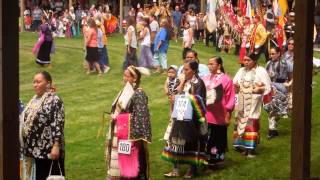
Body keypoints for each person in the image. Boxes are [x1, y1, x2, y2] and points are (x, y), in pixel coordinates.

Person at [162, 60, 207, 178]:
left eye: (186, 70)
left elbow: (200, 101)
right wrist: (180, 86)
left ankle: (192, 169)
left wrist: (186, 97)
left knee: (191, 143)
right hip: (178, 116)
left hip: (192, 119)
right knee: (175, 141)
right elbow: (174, 94)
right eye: (183, 69)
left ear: (194, 70)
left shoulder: (199, 83)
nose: (184, 72)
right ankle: (175, 169)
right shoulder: (181, 81)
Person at [105, 66, 152, 180]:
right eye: (124, 75)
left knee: (134, 165)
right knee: (122, 162)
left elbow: (141, 118)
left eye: (127, 76)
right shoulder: (125, 91)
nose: (124, 78)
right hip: (121, 133)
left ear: (134, 78)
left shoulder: (138, 93)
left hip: (132, 137)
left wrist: (119, 118)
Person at [21, 71, 65, 180]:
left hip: (48, 152)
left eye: (38, 82)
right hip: (33, 151)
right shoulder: (34, 100)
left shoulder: (54, 100)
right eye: (34, 82)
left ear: (48, 83)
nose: (35, 84)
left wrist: (56, 146)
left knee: (49, 176)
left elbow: (58, 123)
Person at [233, 53, 271, 157]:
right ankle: (241, 146)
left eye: (248, 60)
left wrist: (259, 89)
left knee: (251, 120)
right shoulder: (241, 71)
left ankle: (250, 149)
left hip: (253, 99)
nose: (245, 62)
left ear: (254, 61)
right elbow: (235, 83)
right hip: (241, 98)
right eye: (244, 60)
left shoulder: (261, 71)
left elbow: (267, 87)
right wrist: (236, 86)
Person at [202, 56, 235, 166]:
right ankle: (206, 157)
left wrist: (228, 114)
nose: (209, 66)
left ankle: (217, 159)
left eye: (212, 64)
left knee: (218, 137)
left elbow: (231, 98)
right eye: (208, 64)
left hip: (220, 115)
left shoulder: (226, 79)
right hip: (207, 114)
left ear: (219, 65)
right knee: (207, 136)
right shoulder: (205, 78)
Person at [264, 47, 293, 139]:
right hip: (271, 88)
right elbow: (266, 76)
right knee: (272, 108)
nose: (271, 56)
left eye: (273, 54)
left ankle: (273, 128)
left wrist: (289, 84)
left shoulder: (286, 64)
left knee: (280, 110)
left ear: (279, 54)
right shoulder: (268, 64)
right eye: (270, 54)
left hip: (282, 87)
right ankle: (271, 130)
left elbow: (292, 77)